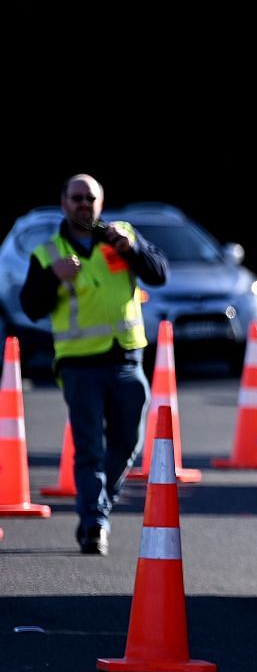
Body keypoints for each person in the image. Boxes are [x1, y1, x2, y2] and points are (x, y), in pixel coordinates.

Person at [16, 175, 167, 556]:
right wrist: (53, 277)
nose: (84, 204)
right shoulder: (48, 253)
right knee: (89, 449)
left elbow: (159, 273)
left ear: (101, 202)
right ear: (64, 202)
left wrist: (133, 249)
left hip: (126, 359)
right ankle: (93, 522)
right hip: (80, 365)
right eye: (77, 198)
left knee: (128, 443)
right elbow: (31, 308)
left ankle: (98, 507)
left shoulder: (121, 236)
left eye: (90, 198)